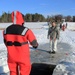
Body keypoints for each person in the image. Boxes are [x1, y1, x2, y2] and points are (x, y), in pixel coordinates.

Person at [3, 11, 38, 75]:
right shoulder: (26, 30)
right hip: (23, 56)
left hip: (11, 56)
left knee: (13, 72)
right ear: (22, 18)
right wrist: (35, 45)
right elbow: (33, 42)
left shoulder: (6, 30)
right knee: (25, 71)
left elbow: (6, 42)